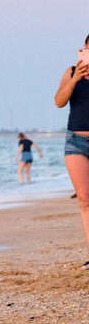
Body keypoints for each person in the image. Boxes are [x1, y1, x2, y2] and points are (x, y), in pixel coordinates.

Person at [54, 33, 89, 259]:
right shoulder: (71, 71)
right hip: (75, 141)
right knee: (84, 198)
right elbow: (59, 101)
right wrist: (75, 80)